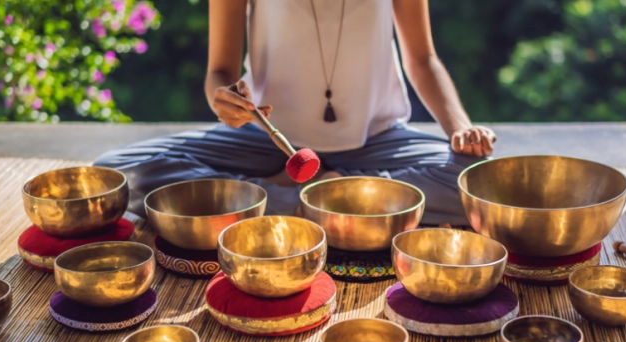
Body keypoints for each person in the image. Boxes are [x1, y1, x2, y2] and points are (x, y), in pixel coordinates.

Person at [95, 0, 496, 226]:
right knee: (119, 170)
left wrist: (460, 128)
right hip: (267, 142)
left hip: (375, 143)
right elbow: (220, 72)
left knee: (479, 184)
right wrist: (222, 99)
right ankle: (340, 201)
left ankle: (272, 199)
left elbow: (423, 60)